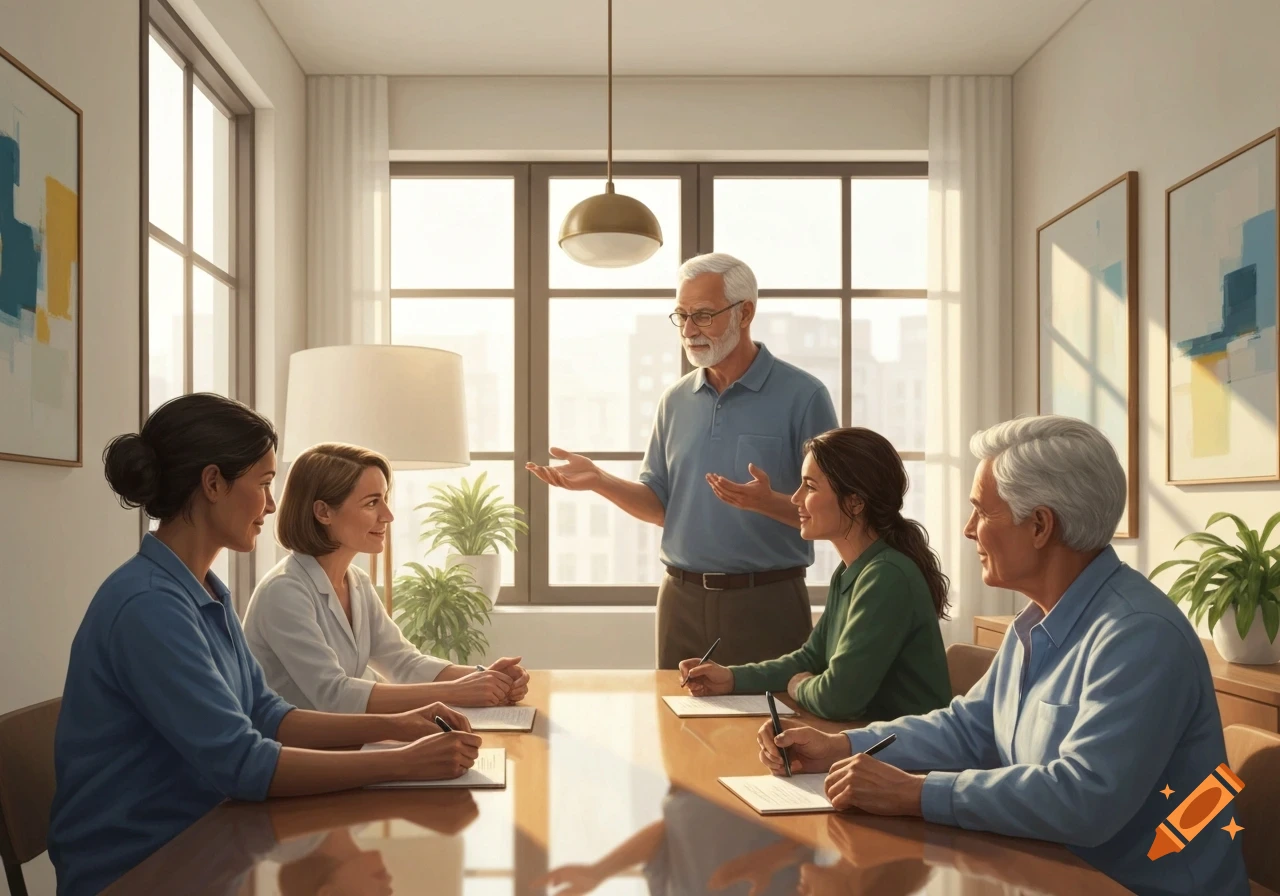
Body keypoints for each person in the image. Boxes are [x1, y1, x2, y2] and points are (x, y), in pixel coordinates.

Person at [754, 416, 1250, 896]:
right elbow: (971, 726)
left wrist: (914, 793)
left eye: (982, 512)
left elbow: (1084, 800)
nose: (969, 530)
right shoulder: (1036, 620)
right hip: (1048, 871)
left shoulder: (1139, 638)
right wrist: (842, 747)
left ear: (1039, 526)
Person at [48, 394, 483, 896]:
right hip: (142, 869)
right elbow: (243, 763)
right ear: (213, 483)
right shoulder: (148, 607)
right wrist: (404, 762)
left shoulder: (204, 590)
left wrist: (397, 726)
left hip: (207, 843)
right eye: (264, 483)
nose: (273, 504)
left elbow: (266, 712)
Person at [527, 253, 839, 669]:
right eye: (682, 315)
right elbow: (661, 508)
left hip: (769, 601)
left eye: (704, 315)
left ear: (745, 313)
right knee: (673, 726)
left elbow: (834, 510)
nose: (689, 330)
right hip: (680, 601)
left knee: (770, 728)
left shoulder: (804, 396)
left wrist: (766, 502)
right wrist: (599, 479)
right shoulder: (673, 401)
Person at [679, 428, 951, 721]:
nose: (795, 498)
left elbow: (838, 699)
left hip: (903, 756)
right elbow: (811, 658)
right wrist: (731, 678)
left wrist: (799, 686)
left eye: (809, 486)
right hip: (867, 741)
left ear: (855, 502)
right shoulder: (853, 570)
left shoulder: (886, 577)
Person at [243, 442, 529, 713]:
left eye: (385, 500)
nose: (388, 515)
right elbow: (334, 695)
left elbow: (404, 663)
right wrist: (457, 691)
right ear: (323, 512)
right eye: (371, 503)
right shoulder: (284, 592)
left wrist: (488, 678)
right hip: (299, 753)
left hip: (347, 741)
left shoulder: (356, 582)